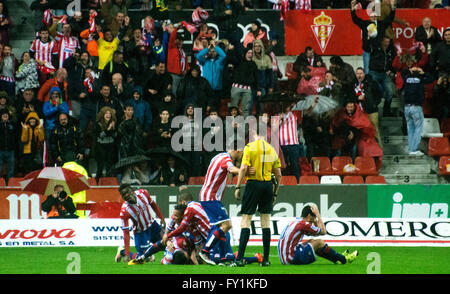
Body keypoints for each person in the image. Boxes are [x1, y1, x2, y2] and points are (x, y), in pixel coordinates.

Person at [233, 125, 282, 267]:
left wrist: (238, 186)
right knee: (265, 221)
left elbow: (243, 168)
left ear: (254, 133)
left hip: (253, 184)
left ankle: (239, 259)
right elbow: (278, 174)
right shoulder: (272, 150)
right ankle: (265, 260)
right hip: (267, 185)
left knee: (246, 220)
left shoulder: (250, 147)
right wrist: (275, 192)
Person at [197, 149, 243, 265]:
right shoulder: (226, 159)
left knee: (221, 227)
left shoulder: (219, 156)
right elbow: (232, 169)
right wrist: (245, 171)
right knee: (227, 225)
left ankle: (223, 259)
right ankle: (205, 251)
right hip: (211, 197)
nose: (243, 158)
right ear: (238, 151)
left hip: (209, 196)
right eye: (243, 154)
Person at [278, 204, 358, 265]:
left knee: (312, 241)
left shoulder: (297, 221)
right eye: (314, 216)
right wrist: (318, 215)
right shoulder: (303, 224)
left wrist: (315, 221)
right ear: (309, 216)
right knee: (319, 242)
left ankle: (337, 259)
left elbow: (315, 234)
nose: (315, 218)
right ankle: (344, 259)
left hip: (285, 257)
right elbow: (323, 231)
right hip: (290, 258)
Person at [115, 184, 166, 263]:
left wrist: (161, 218)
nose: (126, 195)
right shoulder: (125, 211)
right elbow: (126, 233)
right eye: (123, 194)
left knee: (166, 244)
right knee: (144, 259)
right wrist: (127, 254)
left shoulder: (143, 193)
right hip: (141, 232)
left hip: (153, 226)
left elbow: (153, 205)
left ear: (132, 191)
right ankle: (122, 251)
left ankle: (149, 251)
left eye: (127, 192)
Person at [350, 0, 396, 74]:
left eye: (374, 16)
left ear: (377, 16)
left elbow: (390, 19)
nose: (373, 17)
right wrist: (352, 9)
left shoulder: (381, 25)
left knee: (379, 72)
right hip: (367, 51)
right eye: (371, 16)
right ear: (369, 16)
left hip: (378, 52)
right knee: (367, 72)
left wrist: (393, 8)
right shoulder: (365, 24)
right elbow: (355, 20)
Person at [401, 65, 435, 156]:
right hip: (416, 107)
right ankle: (414, 149)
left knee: (410, 129)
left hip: (407, 107)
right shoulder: (421, 78)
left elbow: (402, 72)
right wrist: (423, 73)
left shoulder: (406, 78)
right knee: (418, 128)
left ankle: (411, 149)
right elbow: (432, 79)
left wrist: (410, 70)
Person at [354, 67, 383, 147]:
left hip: (371, 111)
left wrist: (373, 104)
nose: (359, 75)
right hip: (358, 112)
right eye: (357, 73)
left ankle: (379, 151)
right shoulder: (353, 84)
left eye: (361, 73)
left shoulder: (372, 83)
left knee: (375, 130)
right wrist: (357, 98)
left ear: (364, 74)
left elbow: (379, 95)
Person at [229, 46, 261, 118]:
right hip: (237, 87)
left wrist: (258, 89)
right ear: (245, 54)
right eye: (248, 53)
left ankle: (245, 128)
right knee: (233, 108)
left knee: (246, 109)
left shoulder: (253, 64)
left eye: (251, 53)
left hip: (247, 88)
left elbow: (256, 77)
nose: (250, 54)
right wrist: (231, 50)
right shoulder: (239, 61)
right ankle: (232, 127)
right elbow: (231, 59)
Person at [369, 36, 397, 116]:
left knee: (390, 92)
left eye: (388, 42)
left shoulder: (390, 52)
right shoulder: (375, 49)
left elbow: (391, 63)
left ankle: (386, 111)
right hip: (374, 72)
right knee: (377, 89)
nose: (387, 44)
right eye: (385, 42)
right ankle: (373, 110)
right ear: (381, 42)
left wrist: (393, 73)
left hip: (384, 74)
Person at [94, 106, 118, 182]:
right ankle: (97, 181)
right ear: (102, 115)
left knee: (110, 164)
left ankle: (109, 181)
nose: (108, 115)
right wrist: (109, 128)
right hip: (101, 147)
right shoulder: (98, 124)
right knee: (100, 165)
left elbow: (115, 136)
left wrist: (113, 128)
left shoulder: (113, 123)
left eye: (109, 113)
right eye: (106, 113)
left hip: (110, 146)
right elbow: (101, 135)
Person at [0, 108, 16, 185]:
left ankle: (10, 184)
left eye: (6, 114)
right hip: (0, 150)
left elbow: (16, 137)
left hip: (10, 150)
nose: (5, 115)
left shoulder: (12, 124)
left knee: (10, 170)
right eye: (3, 114)